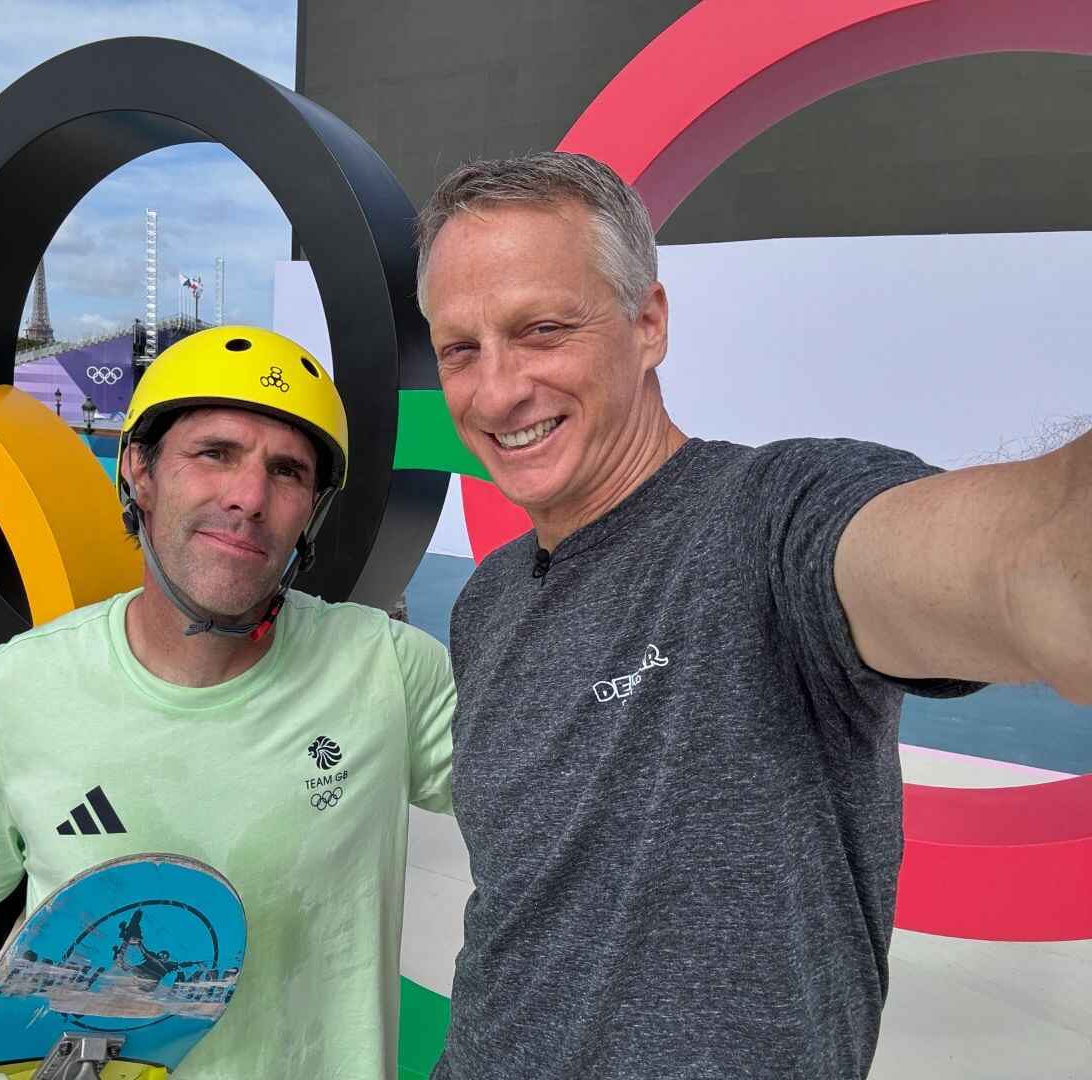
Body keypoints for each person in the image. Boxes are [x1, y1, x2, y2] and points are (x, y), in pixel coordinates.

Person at [414, 152, 1090, 1079]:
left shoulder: (768, 518)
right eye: (462, 349)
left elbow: (1019, 559)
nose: (495, 392)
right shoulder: (487, 603)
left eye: (541, 330)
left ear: (647, 323)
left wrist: (1053, 546)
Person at [0, 326, 455, 1080]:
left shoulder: (390, 671)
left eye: (287, 471)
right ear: (140, 471)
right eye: (216, 453)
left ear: (311, 509)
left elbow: (558, 814)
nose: (249, 496)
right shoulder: (17, 688)